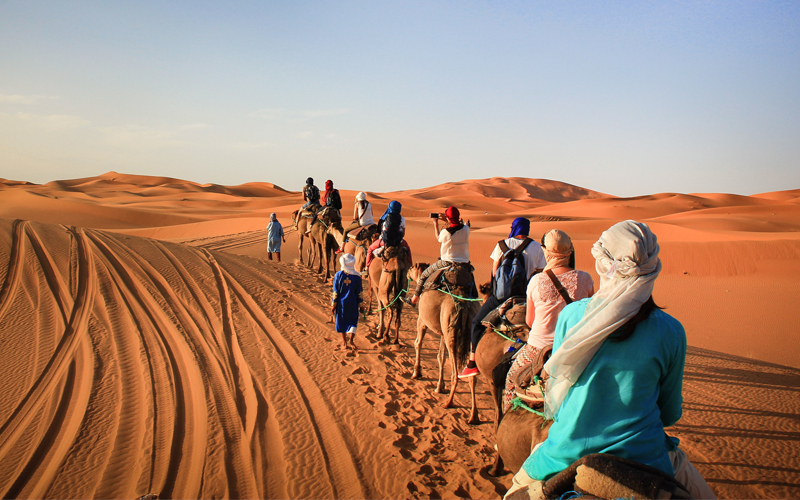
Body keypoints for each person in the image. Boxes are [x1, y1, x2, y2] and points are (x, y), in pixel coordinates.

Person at [505, 220, 715, 500]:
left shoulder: (571, 317)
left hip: (563, 454)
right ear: (652, 266)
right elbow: (670, 414)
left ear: (605, 265)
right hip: (646, 458)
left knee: (512, 494)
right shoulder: (672, 330)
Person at [499, 229, 593, 411]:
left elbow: (530, 321)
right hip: (575, 349)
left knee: (511, 380)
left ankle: (504, 425)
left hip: (538, 349)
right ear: (570, 251)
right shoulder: (585, 278)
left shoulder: (536, 281)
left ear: (546, 252)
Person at [458, 217, 547, 378]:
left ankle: (472, 363)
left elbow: (494, 273)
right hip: (526, 297)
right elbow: (539, 273)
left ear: (514, 228)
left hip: (501, 297)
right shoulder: (536, 247)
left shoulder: (501, 245)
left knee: (476, 322)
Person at [404, 206, 469, 306]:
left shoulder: (446, 233)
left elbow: (439, 237)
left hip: (447, 262)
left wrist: (435, 223)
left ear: (448, 218)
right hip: (465, 264)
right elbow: (459, 226)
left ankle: (413, 300)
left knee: (424, 275)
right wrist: (448, 220)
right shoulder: (466, 229)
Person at [365, 200, 412, 269]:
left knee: (370, 249)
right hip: (399, 242)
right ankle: (411, 268)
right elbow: (403, 234)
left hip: (384, 242)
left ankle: (367, 267)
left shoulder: (383, 218)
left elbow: (380, 232)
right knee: (408, 249)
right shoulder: (402, 219)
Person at [331, 253, 363, 350]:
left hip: (341, 304)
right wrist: (361, 304)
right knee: (353, 322)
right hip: (353, 303)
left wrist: (334, 304)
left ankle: (345, 342)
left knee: (342, 322)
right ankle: (351, 340)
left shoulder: (338, 275)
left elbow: (335, 291)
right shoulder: (357, 277)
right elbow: (360, 292)